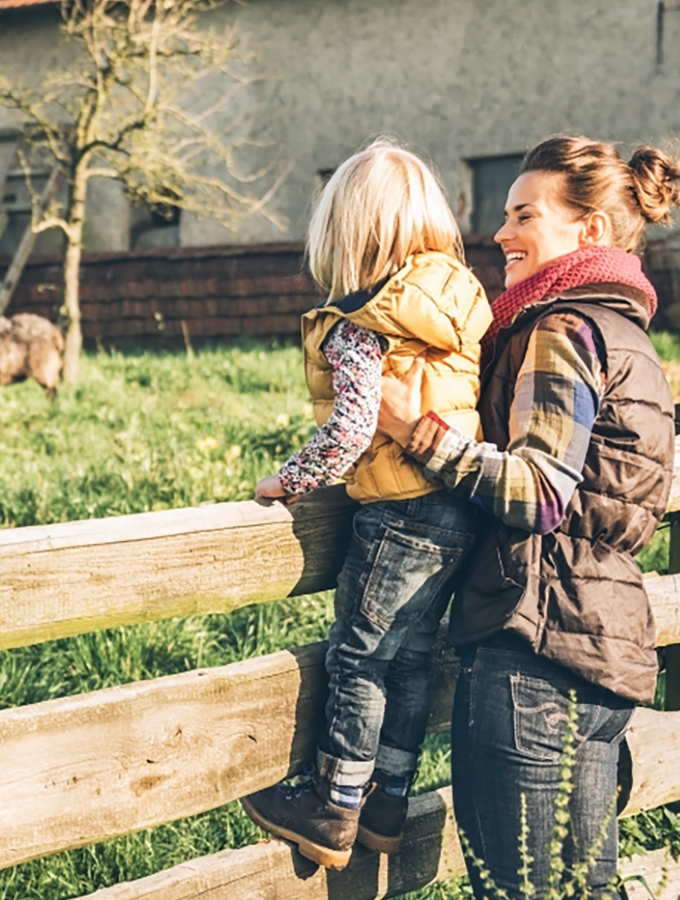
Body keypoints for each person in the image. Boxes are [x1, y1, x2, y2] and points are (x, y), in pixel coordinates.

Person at [375, 134, 680, 898]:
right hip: (599, 647)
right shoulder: (627, 335)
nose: (501, 234)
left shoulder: (561, 327)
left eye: (524, 216)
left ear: (591, 233)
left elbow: (541, 493)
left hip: (536, 655)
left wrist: (419, 432)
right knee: (583, 888)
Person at [239, 138, 491, 869]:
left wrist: (289, 479)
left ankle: (332, 806)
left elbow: (352, 427)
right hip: (458, 503)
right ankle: (386, 804)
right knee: (410, 661)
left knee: (359, 658)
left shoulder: (363, 320)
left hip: (399, 508)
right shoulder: (455, 300)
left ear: (347, 233)